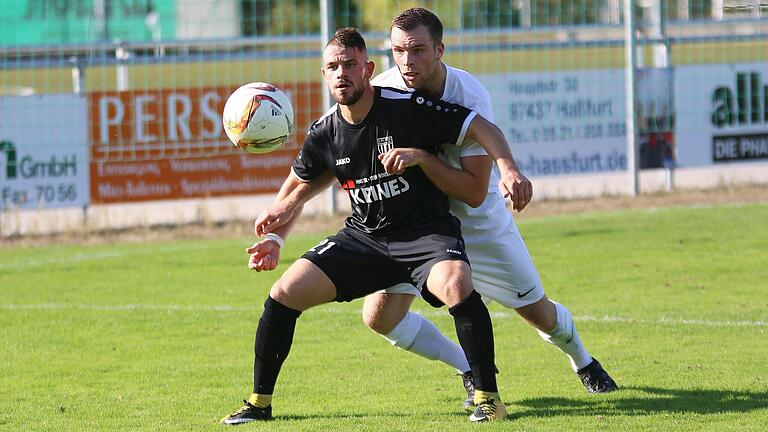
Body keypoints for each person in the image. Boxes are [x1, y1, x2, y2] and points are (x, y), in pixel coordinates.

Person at [247, 7, 618, 413]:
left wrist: (507, 168)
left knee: (536, 312)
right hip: (408, 220)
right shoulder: (376, 88)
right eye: (398, 51)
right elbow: (327, 164)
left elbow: (475, 192)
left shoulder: (467, 94)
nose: (407, 62)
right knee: (380, 317)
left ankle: (583, 360)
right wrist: (275, 232)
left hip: (474, 222)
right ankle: (469, 370)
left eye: (418, 50)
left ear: (439, 49)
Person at [222, 27, 530, 425]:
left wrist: (508, 168)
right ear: (324, 74)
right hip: (365, 239)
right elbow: (299, 186)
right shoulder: (325, 132)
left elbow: (481, 128)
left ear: (367, 69)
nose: (341, 74)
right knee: (284, 292)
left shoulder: (407, 108)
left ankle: (489, 398)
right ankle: (259, 404)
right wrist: (275, 237)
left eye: (349, 65)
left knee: (455, 285)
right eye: (332, 66)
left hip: (426, 234)